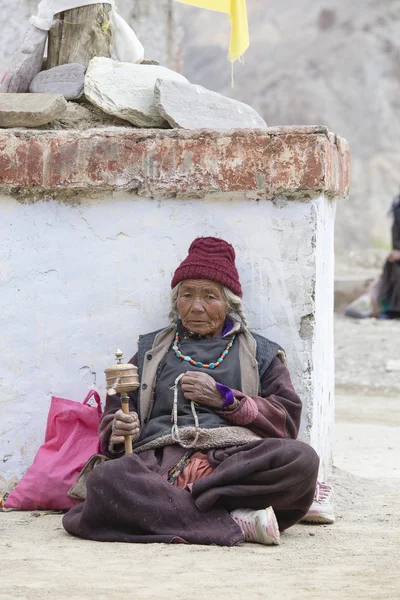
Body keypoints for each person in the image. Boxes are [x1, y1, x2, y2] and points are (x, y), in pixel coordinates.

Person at [63, 237, 320, 546]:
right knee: (107, 479)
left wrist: (226, 400)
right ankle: (232, 522)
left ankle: (176, 507)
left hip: (231, 465)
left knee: (302, 459)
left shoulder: (259, 353)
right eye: (187, 295)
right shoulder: (150, 351)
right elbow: (115, 417)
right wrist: (118, 431)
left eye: (210, 296)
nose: (196, 306)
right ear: (177, 301)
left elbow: (286, 421)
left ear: (229, 304)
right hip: (159, 465)